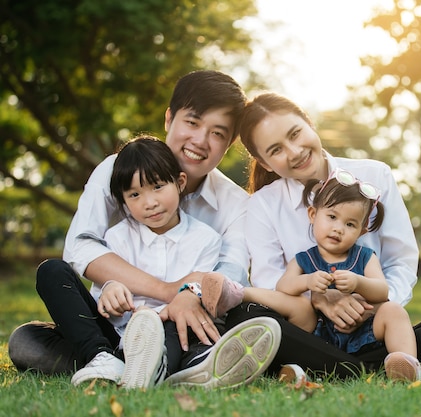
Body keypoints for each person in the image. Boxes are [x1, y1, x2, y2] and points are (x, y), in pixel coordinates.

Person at [8, 71, 281, 389]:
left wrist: (187, 296)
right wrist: (165, 290)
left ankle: (158, 364)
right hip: (115, 323)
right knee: (27, 340)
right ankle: (129, 363)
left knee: (220, 323)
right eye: (192, 123)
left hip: (182, 326)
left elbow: (230, 276)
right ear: (169, 118)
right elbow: (81, 247)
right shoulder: (117, 170)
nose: (200, 141)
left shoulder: (235, 204)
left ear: (230, 142)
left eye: (217, 133)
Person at [225, 92, 421, 381]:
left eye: (296, 134)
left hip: (371, 328)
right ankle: (380, 367)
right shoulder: (263, 204)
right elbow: (269, 281)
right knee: (248, 317)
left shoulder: (376, 175)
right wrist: (322, 300)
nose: (294, 151)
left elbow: (400, 261)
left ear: (309, 124)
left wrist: (369, 309)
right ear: (265, 163)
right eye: (276, 150)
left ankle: (328, 369)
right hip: (308, 331)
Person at [276, 172, 421, 381]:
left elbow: (383, 291)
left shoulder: (364, 257)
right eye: (332, 217)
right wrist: (307, 281)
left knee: (393, 310)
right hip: (320, 338)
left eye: (350, 224)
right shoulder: (303, 259)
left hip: (363, 334)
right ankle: (301, 370)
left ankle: (406, 364)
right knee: (296, 316)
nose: (338, 228)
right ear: (312, 214)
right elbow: (283, 287)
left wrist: (359, 282)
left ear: (362, 231)